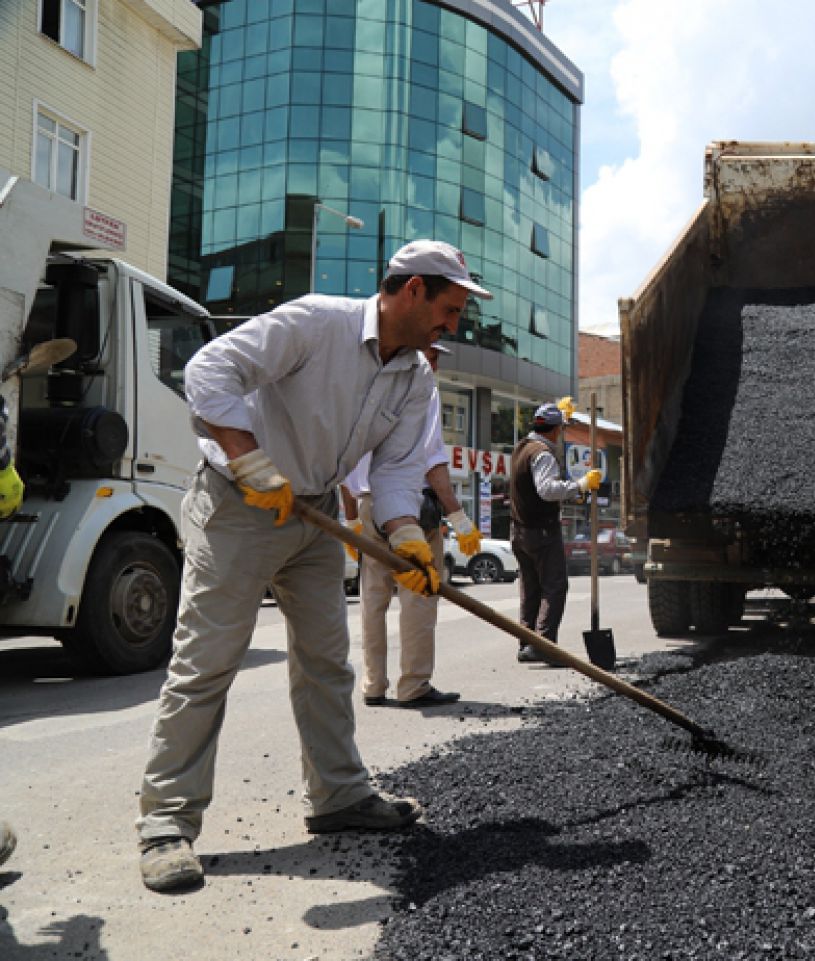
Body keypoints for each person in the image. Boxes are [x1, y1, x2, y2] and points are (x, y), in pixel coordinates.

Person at [135, 240, 491, 893]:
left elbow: (396, 471)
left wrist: (407, 537)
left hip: (317, 512)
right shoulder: (315, 322)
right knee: (207, 660)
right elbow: (209, 369)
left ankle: (339, 797)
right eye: (449, 308)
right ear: (412, 291)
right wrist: (247, 457)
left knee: (328, 659)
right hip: (239, 505)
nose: (453, 325)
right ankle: (166, 824)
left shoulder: (414, 377)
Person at [342, 343, 482, 708]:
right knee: (419, 596)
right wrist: (458, 516)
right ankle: (414, 685)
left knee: (373, 600)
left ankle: (373, 685)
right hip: (410, 507)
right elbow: (432, 460)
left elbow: (343, 463)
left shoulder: (362, 386)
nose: (432, 365)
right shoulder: (422, 388)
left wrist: (353, 518)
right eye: (430, 356)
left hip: (370, 504)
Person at [510, 400, 601, 662]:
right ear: (553, 430)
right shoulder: (543, 454)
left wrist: (561, 414)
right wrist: (581, 485)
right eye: (561, 428)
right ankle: (544, 646)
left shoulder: (522, 447)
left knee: (530, 589)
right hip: (541, 533)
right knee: (554, 587)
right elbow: (547, 490)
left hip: (519, 532)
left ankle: (527, 644)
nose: (562, 433)